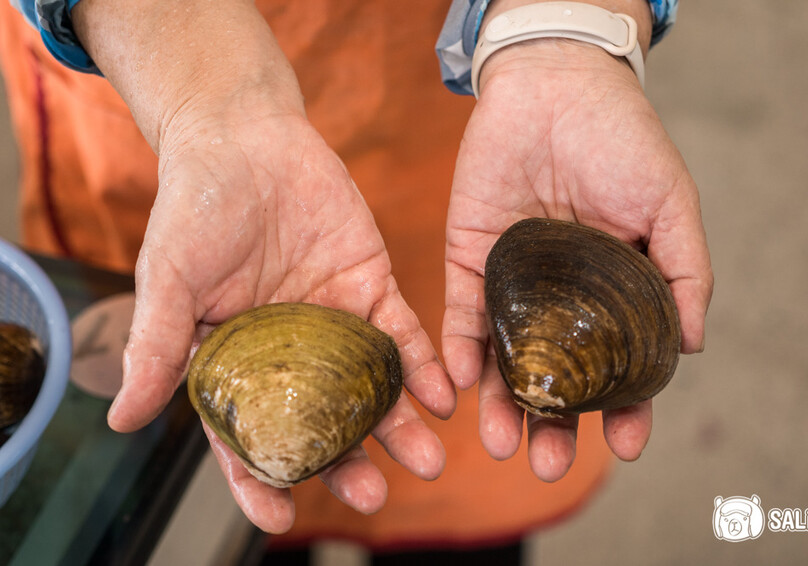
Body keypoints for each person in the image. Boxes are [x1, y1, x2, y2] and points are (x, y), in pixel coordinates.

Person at [0, 0, 712, 559]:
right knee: (214, 524)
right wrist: (209, 104)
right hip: (174, 107)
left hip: (483, 155)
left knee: (466, 504)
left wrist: (565, 35)